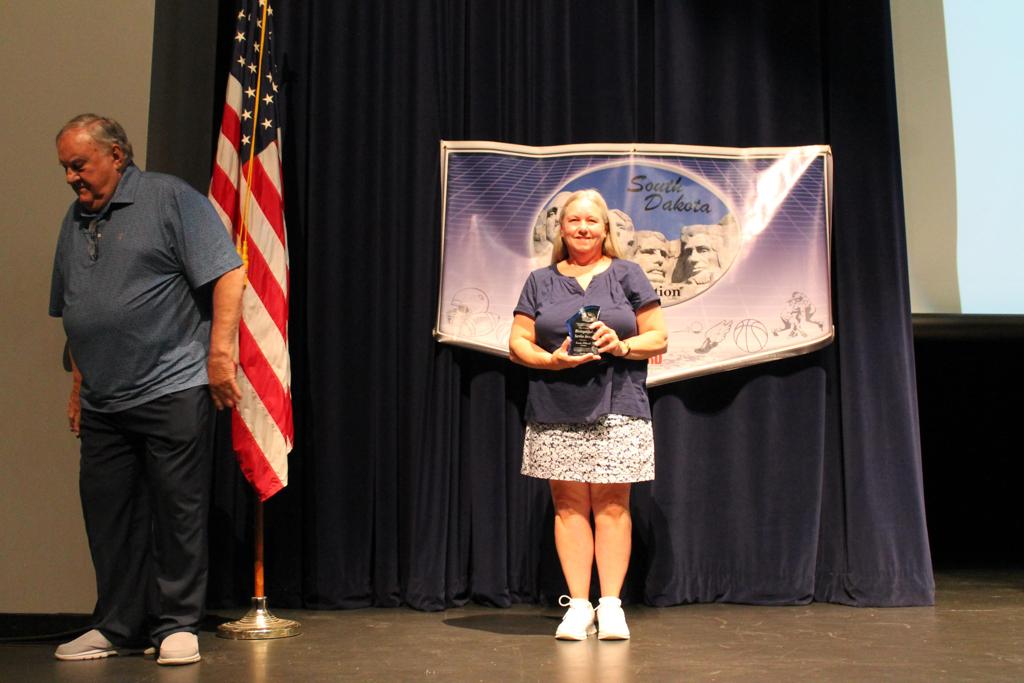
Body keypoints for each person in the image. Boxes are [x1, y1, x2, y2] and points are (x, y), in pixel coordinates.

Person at [48, 114, 244, 666]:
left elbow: (228, 273)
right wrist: (78, 386)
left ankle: (177, 624)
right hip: (103, 398)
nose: (70, 177)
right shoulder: (75, 219)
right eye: (65, 168)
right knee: (109, 516)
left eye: (79, 165)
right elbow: (79, 310)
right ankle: (117, 625)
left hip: (170, 385)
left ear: (116, 155)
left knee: (177, 511)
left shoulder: (167, 199)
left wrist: (219, 355)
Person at [509, 189, 668, 641]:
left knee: (613, 505)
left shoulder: (627, 273)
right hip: (554, 406)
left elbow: (658, 337)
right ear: (561, 229)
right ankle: (579, 607)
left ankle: (611, 606)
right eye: (574, 220)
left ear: (605, 229)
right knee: (568, 506)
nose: (582, 228)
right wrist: (551, 360)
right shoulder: (539, 281)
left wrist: (622, 345)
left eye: (591, 221)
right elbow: (517, 343)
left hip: (619, 405)